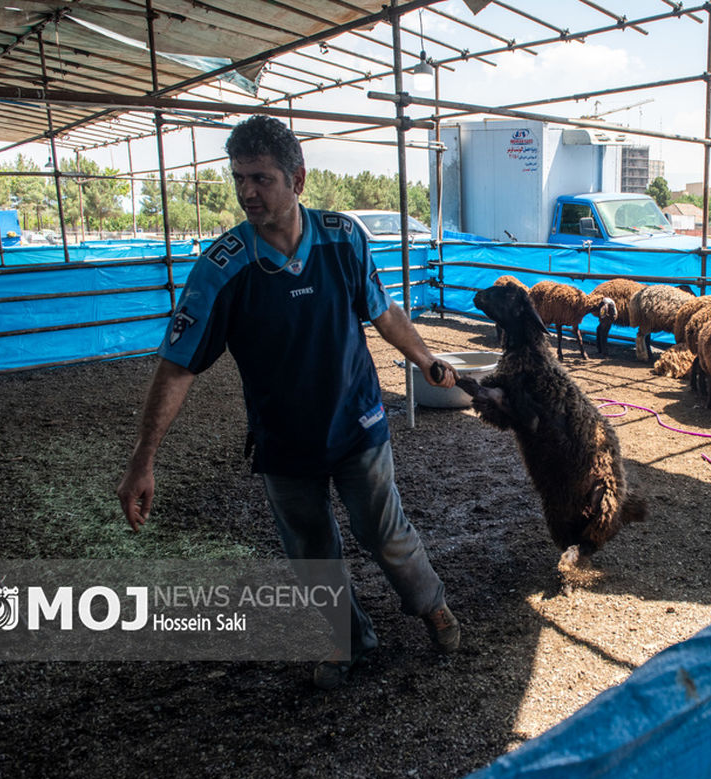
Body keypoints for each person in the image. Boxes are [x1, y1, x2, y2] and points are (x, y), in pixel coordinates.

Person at [117, 115, 461, 690]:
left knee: (384, 529)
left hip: (358, 422)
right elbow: (179, 365)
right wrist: (143, 457)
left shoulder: (343, 237)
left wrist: (425, 360)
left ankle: (432, 606)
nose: (248, 191)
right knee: (309, 548)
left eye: (262, 178)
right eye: (239, 179)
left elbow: (382, 310)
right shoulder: (221, 268)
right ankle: (344, 639)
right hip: (282, 438)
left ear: (297, 179)